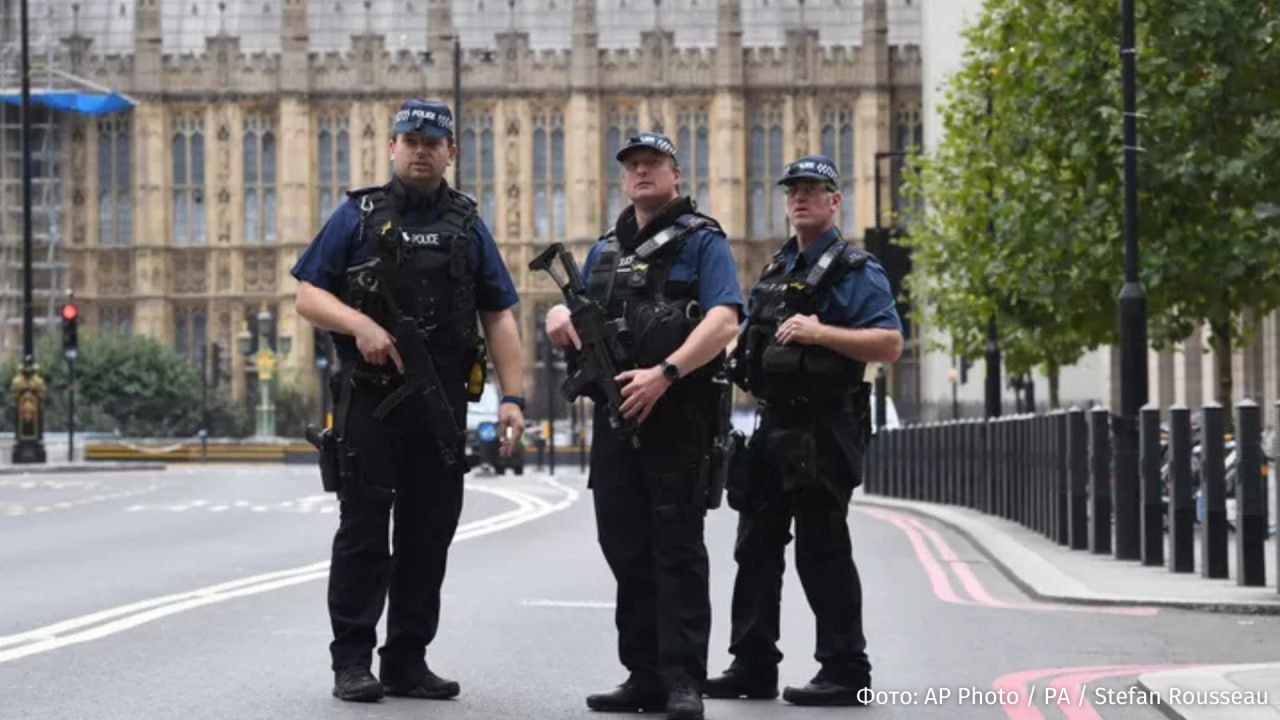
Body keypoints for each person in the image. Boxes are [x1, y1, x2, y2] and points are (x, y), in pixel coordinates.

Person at [291, 99, 527, 703]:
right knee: (364, 532)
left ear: (451, 154)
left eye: (433, 143)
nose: (421, 151)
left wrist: (514, 397)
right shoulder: (358, 215)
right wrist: (360, 326)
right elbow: (309, 296)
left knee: (428, 536)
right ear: (392, 147)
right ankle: (352, 662)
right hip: (370, 402)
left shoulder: (468, 225)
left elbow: (499, 314)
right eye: (411, 141)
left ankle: (406, 660)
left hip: (440, 404)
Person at [544, 132, 743, 720]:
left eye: (653, 162)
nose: (641, 171)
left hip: (678, 417)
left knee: (676, 550)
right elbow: (582, 316)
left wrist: (666, 373)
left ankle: (683, 680)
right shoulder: (605, 251)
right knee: (624, 547)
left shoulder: (702, 240)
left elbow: (725, 319)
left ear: (676, 174)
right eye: (632, 164)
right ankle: (643, 674)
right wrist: (558, 316)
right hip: (617, 419)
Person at [705, 155, 903, 706]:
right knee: (755, 547)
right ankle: (752, 666)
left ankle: (845, 670)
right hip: (774, 423)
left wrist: (821, 333)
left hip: (826, 425)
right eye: (793, 190)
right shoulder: (776, 268)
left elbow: (890, 343)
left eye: (813, 190)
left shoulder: (856, 269)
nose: (800, 198)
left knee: (822, 548)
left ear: (835, 201)